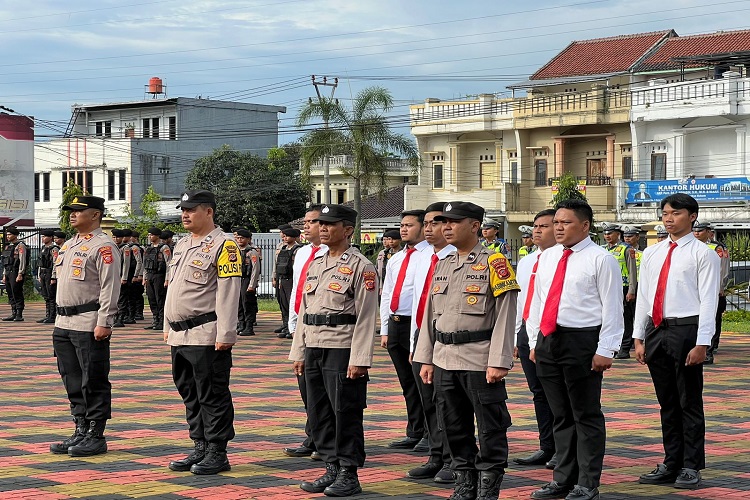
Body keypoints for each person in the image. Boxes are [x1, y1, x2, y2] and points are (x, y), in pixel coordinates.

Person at [414, 201, 519, 500]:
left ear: (474, 226)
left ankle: (488, 487)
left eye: (453, 222)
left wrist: (499, 360)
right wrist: (426, 357)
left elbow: (506, 314)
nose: (445, 227)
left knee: (490, 426)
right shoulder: (443, 264)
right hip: (444, 357)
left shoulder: (495, 262)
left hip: (479, 357)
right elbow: (429, 315)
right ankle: (464, 483)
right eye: (442, 222)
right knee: (453, 424)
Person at [526, 199, 624, 500]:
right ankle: (563, 479)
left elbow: (612, 308)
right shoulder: (546, 257)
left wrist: (606, 348)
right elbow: (539, 302)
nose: (558, 228)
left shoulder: (600, 259)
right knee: (560, 415)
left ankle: (587, 482)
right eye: (556, 222)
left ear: (585, 225)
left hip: (582, 341)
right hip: (548, 340)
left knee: (585, 413)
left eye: (565, 222)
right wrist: (534, 342)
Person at [289, 204, 378, 497]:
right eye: (321, 223)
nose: (323, 228)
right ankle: (331, 467)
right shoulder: (316, 263)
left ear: (348, 229)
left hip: (342, 347)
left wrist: (360, 359)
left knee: (345, 412)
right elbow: (305, 310)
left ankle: (349, 473)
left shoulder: (361, 266)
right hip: (313, 344)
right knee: (319, 412)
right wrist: (298, 351)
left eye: (330, 224)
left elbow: (366, 316)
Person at [633, 193, 720, 490]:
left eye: (676, 213)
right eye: (665, 213)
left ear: (692, 216)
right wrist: (638, 337)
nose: (668, 218)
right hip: (657, 329)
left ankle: (691, 465)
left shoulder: (703, 253)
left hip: (687, 330)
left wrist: (702, 342)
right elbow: (643, 296)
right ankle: (672, 461)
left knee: (689, 401)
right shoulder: (652, 253)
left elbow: (708, 300)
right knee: (666, 402)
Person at [164, 189, 241, 475]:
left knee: (212, 394)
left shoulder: (225, 245)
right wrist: (167, 325)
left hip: (206, 333)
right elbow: (173, 288)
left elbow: (229, 292)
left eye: (192, 209)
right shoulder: (183, 244)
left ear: (208, 212)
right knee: (189, 393)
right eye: (183, 209)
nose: (185, 214)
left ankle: (217, 451)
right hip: (180, 334)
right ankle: (199, 446)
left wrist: (226, 333)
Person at [49, 195, 121, 457]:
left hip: (88, 323)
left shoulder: (104, 246)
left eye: (79, 211)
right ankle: (80, 427)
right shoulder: (69, 245)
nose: (72, 214)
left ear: (95, 215)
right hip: (64, 322)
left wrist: (105, 321)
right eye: (71, 211)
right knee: (72, 379)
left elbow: (110, 288)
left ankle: (95, 434)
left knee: (94, 379)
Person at [406, 201, 455, 483]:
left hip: (449, 338)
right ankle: (436, 455)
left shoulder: (459, 257)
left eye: (435, 222)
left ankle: (453, 458)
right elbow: (418, 302)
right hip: (422, 334)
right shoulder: (422, 257)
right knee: (427, 400)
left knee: (448, 401)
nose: (429, 228)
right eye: (425, 223)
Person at [381, 209, 429, 453]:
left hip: (418, 324)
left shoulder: (430, 256)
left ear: (423, 227)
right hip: (397, 323)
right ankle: (415, 430)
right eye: (402, 225)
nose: (403, 229)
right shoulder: (396, 258)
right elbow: (387, 293)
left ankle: (431, 433)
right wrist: (385, 328)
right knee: (407, 383)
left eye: (409, 225)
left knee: (424, 382)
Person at [513, 209, 557, 470]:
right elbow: (520, 300)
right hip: (527, 332)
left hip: (550, 333)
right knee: (538, 393)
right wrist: (515, 336)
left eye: (544, 226)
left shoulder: (563, 259)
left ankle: (564, 449)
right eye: (535, 226)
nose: (537, 231)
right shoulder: (528, 261)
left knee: (557, 394)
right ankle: (546, 446)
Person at [283, 204, 328, 460]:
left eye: (312, 221)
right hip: (301, 325)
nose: (306, 226)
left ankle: (325, 439)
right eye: (306, 221)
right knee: (305, 385)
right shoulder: (301, 253)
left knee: (322, 389)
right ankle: (313, 435)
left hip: (322, 329)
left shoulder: (332, 254)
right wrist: (292, 321)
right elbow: (298, 291)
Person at [692, 221, 729, 364]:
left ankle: (709, 351)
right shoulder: (691, 247)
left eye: (700, 231)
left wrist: (720, 287)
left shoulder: (717, 248)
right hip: (695, 290)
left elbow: (723, 270)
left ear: (709, 232)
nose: (696, 233)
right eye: (695, 231)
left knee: (712, 320)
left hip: (712, 290)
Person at [601, 224, 638, 360]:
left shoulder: (626, 249)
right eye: (605, 234)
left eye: (610, 233)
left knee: (625, 319)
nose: (607, 236)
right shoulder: (602, 249)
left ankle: (625, 347)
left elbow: (632, 271)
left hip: (623, 287)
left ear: (618, 234)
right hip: (606, 288)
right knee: (610, 317)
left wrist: (632, 290)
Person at [274, 227, 303, 338]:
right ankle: (286, 326)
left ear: (294, 237)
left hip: (291, 279)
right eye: (284, 236)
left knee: (292, 304)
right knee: (284, 304)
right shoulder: (283, 248)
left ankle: (293, 328)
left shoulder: (298, 249)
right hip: (283, 278)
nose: (285, 238)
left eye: (288, 236)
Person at [143, 227, 171, 331]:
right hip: (150, 275)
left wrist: (167, 279)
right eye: (149, 235)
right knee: (151, 299)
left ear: (157, 236)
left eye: (151, 235)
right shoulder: (148, 248)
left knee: (160, 299)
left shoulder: (164, 248)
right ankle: (155, 320)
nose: (149, 236)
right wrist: (144, 278)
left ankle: (161, 321)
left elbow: (169, 264)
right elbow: (145, 264)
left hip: (160, 275)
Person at [234, 228, 260, 336]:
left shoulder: (252, 252)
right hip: (237, 279)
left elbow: (255, 269)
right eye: (238, 238)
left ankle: (249, 326)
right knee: (238, 303)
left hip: (247, 279)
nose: (239, 240)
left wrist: (252, 285)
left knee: (247, 303)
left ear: (248, 239)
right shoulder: (235, 250)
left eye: (242, 238)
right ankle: (241, 324)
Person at [2, 227, 29, 322]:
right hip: (8, 271)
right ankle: (13, 312)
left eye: (9, 234)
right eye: (7, 234)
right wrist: (4, 274)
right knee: (10, 292)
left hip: (16, 271)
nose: (7, 236)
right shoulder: (8, 246)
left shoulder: (20, 246)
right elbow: (6, 261)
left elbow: (22, 261)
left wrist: (20, 273)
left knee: (16, 291)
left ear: (15, 235)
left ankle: (19, 314)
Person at [37, 229, 60, 324]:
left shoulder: (54, 249)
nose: (43, 238)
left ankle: (52, 316)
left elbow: (55, 263)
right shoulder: (43, 248)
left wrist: (53, 277)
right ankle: (48, 315)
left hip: (50, 273)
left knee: (51, 295)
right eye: (42, 236)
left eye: (45, 236)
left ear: (50, 237)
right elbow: (40, 263)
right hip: (43, 272)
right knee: (45, 295)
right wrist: (39, 274)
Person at [114, 229, 136, 326]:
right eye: (114, 237)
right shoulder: (113, 247)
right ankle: (116, 317)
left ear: (122, 238)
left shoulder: (125, 248)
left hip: (122, 277)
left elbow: (126, 264)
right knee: (116, 298)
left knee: (122, 298)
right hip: (114, 276)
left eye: (117, 237)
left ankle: (120, 318)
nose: (115, 239)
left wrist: (124, 277)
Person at [129, 230, 146, 321]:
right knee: (133, 295)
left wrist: (138, 274)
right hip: (133, 273)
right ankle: (135, 312)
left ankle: (139, 313)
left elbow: (140, 262)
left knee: (137, 295)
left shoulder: (136, 248)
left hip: (136, 274)